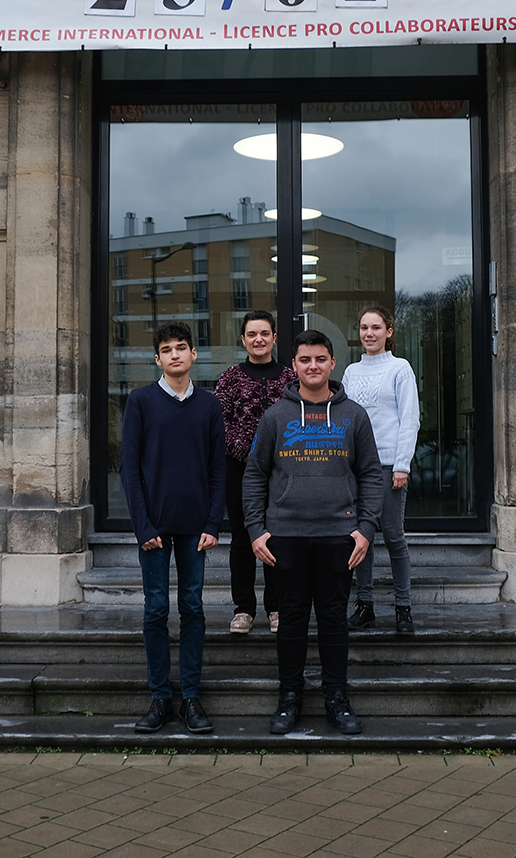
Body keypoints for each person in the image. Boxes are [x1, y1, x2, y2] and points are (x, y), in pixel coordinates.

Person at [244, 329, 384, 736]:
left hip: (339, 536)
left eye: (320, 359)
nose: (313, 366)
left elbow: (371, 475)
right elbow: (254, 475)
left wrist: (365, 530)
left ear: (332, 363)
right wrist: (256, 529)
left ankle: (337, 699)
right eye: (305, 360)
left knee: (333, 618)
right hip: (285, 537)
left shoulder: (354, 415)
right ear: (294, 365)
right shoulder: (275, 417)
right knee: (290, 619)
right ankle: (289, 698)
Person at [119, 320, 225, 735]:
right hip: (155, 529)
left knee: (194, 609)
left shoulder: (209, 405)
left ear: (193, 354)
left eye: (182, 347)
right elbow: (130, 470)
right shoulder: (141, 401)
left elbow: (218, 470)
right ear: (158, 359)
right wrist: (142, 526)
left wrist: (214, 521)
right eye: (168, 349)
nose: (176, 354)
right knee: (156, 610)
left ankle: (192, 698)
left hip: (196, 528)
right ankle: (160, 698)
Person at [213, 310, 297, 635]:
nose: (258, 339)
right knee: (242, 539)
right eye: (252, 334)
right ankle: (244, 609)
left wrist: (275, 457)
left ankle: (276, 607)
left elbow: (298, 419)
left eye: (264, 333)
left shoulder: (290, 378)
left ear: (274, 338)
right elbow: (219, 423)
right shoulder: (231, 378)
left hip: (283, 472)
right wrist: (248, 454)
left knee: (277, 538)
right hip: (240, 471)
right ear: (244, 339)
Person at [343, 306, 422, 635]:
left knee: (393, 536)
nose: (369, 333)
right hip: (356, 467)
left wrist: (402, 464)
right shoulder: (350, 372)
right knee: (360, 537)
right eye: (364, 327)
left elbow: (410, 418)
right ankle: (365, 605)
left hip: (389, 464)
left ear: (389, 331)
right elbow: (344, 421)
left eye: (376, 327)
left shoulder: (400, 369)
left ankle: (403, 607)